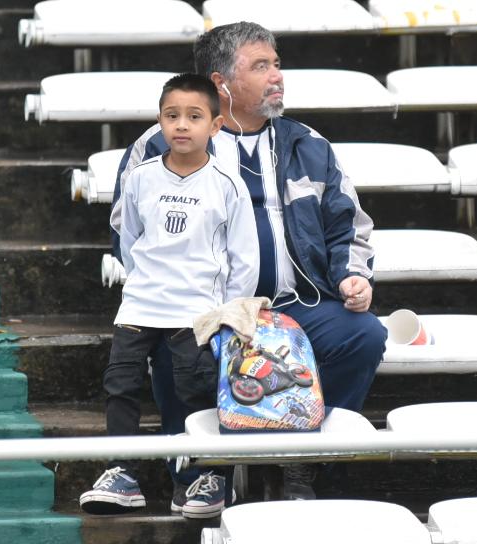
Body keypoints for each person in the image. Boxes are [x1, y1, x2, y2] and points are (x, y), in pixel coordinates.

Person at [111, 22, 388, 503]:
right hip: (202, 306)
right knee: (180, 343)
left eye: (276, 64)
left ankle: (303, 461)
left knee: (362, 336)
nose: (277, 76)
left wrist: (351, 277)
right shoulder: (160, 144)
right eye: (261, 66)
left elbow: (348, 225)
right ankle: (199, 475)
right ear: (221, 83)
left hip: (297, 304)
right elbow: (126, 231)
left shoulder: (309, 144)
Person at [80, 73, 259, 518]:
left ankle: (203, 476)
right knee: (120, 387)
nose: (182, 125)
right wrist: (147, 284)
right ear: (159, 121)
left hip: (196, 313)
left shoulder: (227, 183)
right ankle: (122, 473)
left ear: (215, 126)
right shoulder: (140, 178)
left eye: (194, 117)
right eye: (172, 116)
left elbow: (245, 258)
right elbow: (129, 238)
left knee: (192, 393)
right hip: (140, 306)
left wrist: (225, 313)